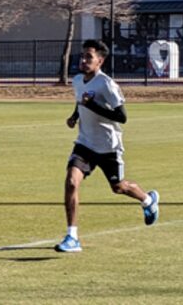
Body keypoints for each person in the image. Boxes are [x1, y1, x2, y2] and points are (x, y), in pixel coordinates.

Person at [55, 39, 159, 253]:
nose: (83, 60)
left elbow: (122, 117)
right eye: (82, 56)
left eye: (89, 57)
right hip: (84, 143)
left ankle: (148, 199)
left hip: (109, 146)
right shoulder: (77, 80)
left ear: (100, 61)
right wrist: (75, 116)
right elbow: (80, 100)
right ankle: (72, 237)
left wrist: (92, 106)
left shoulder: (107, 84)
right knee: (71, 182)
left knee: (119, 187)